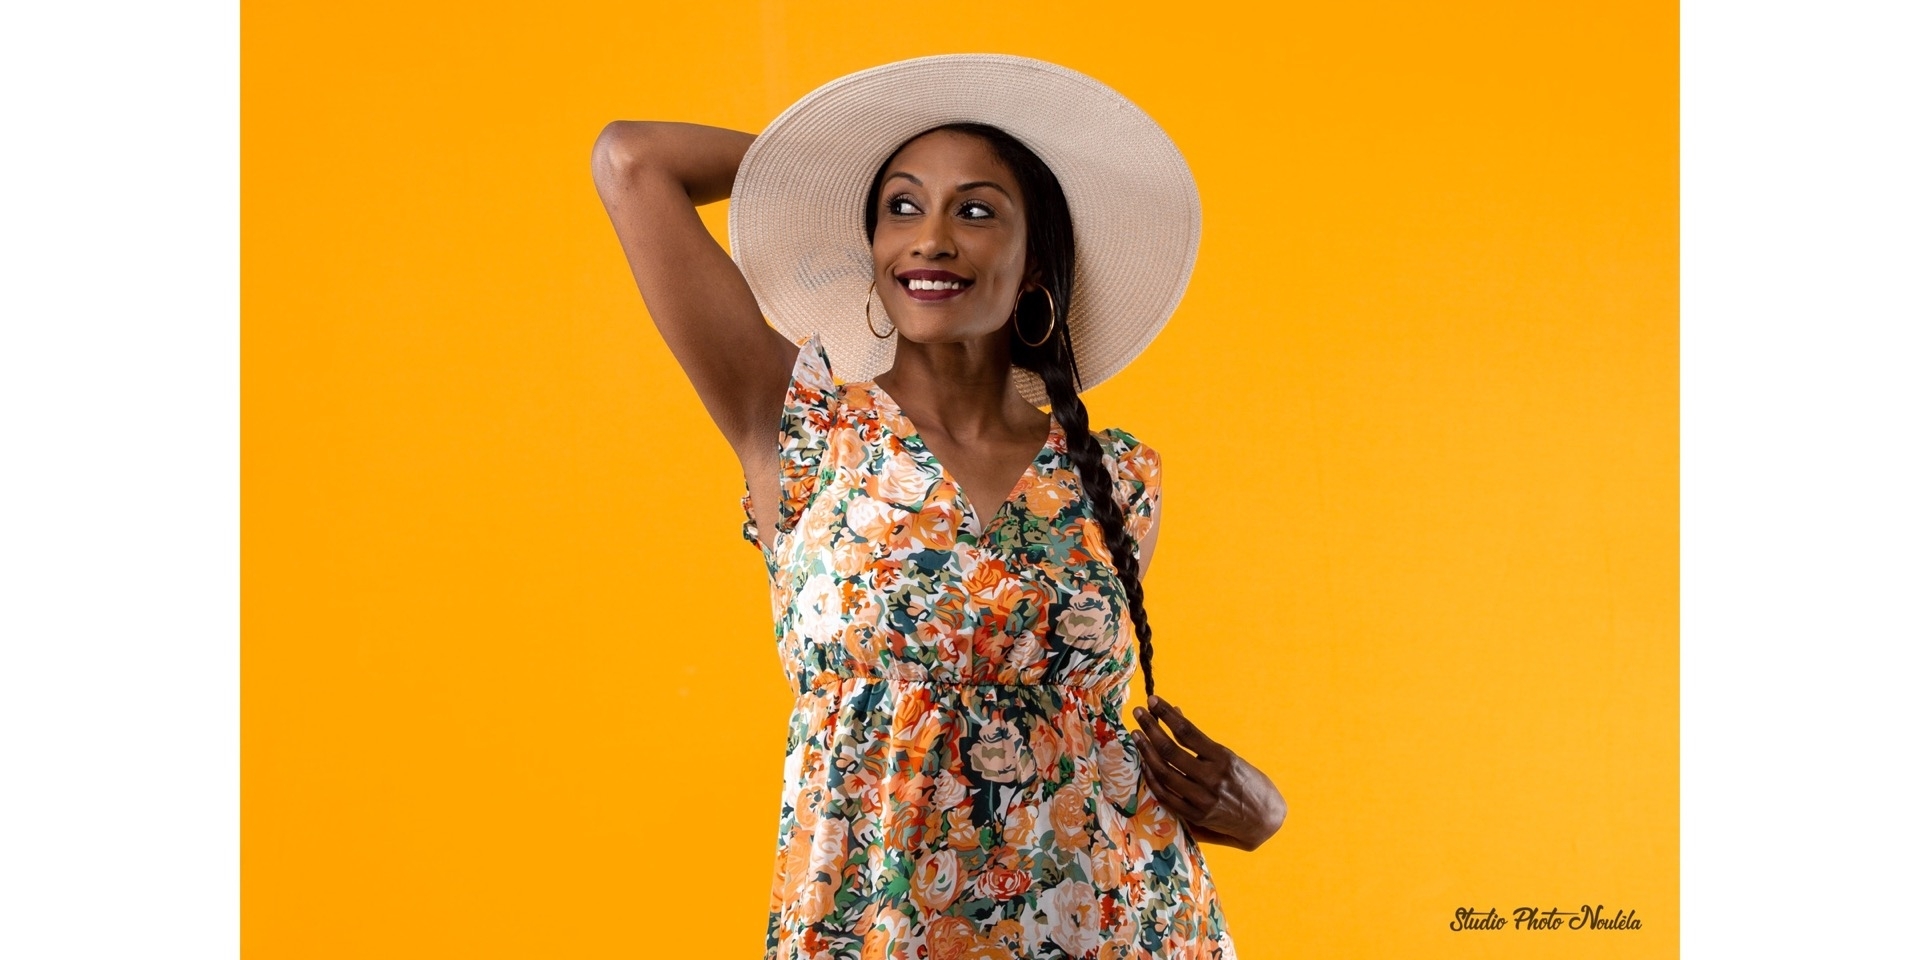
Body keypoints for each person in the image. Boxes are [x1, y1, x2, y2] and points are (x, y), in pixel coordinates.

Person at [591, 54, 1286, 960]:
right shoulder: (799, 426)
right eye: (903, 207)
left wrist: (1260, 811)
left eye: (977, 211)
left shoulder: (1117, 475)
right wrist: (832, 178)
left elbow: (1085, 734)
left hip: (1121, 926)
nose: (930, 238)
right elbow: (631, 160)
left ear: (1036, 263)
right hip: (881, 933)